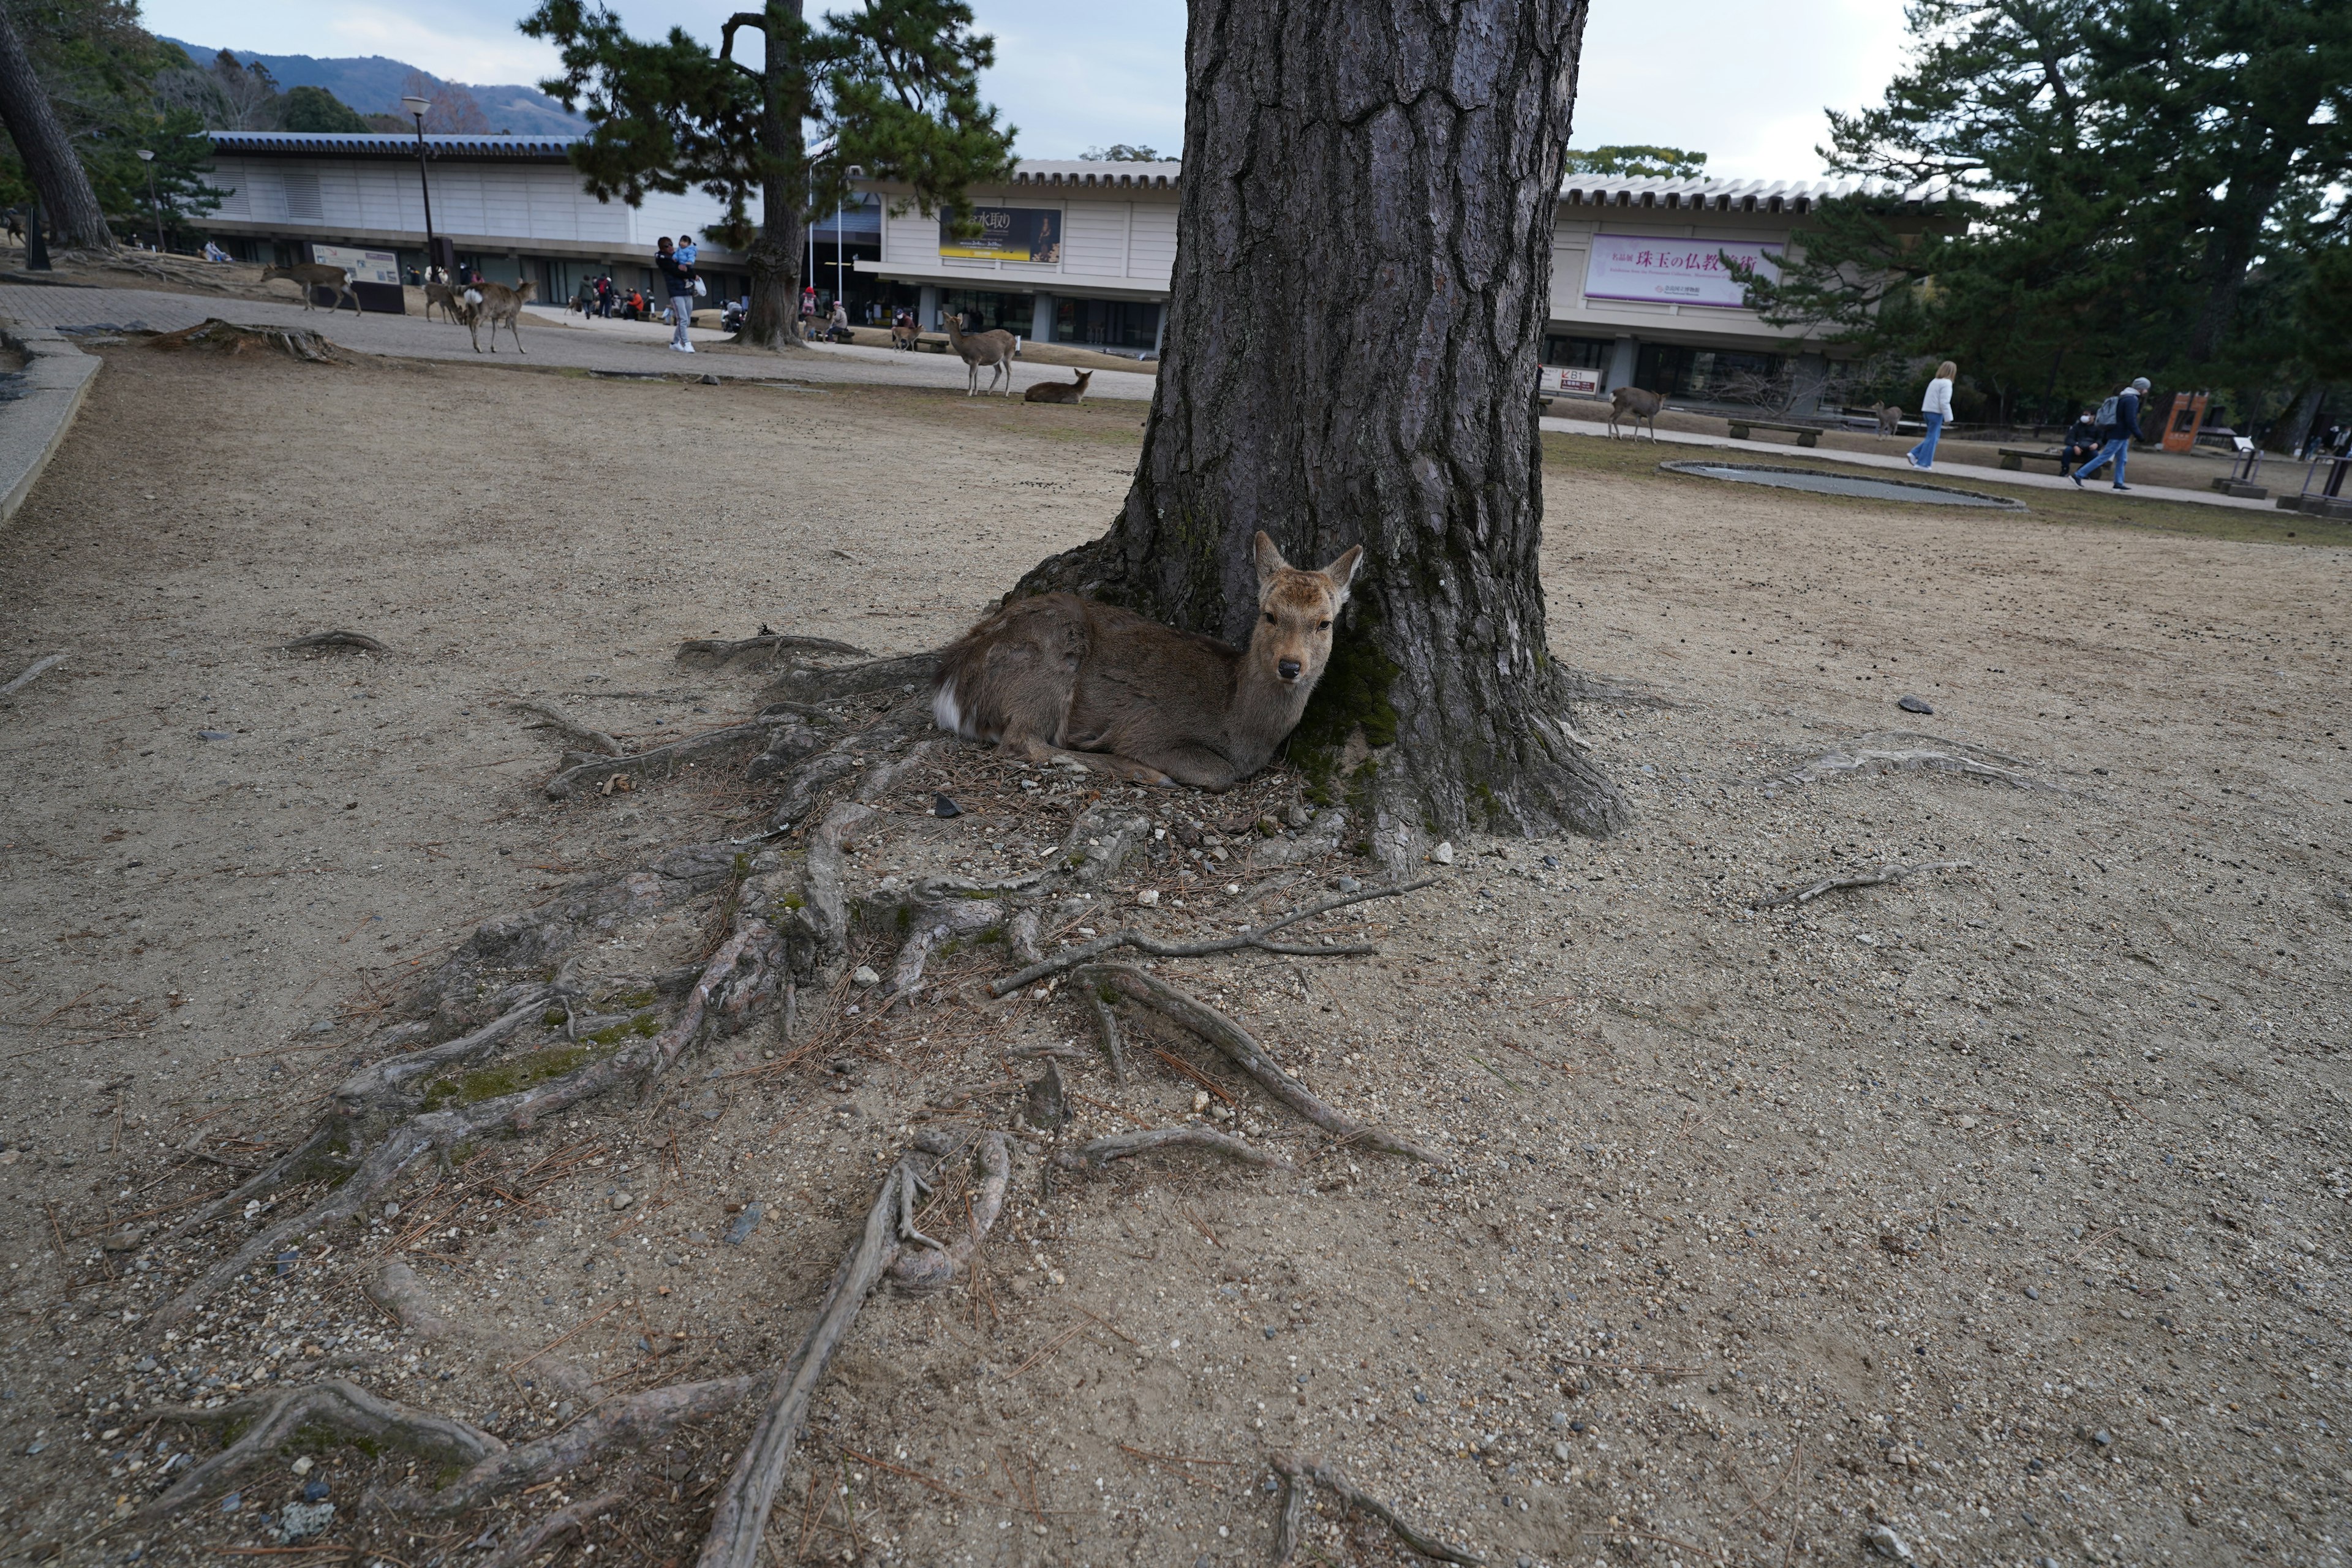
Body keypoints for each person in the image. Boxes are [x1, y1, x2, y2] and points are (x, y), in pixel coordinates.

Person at [2072, 376, 2149, 491]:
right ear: (2141, 388)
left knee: (2122, 459)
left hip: (2120, 433)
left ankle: (2119, 482)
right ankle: (2078, 475)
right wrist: (2138, 434)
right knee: (2105, 457)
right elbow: (2130, 419)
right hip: (2120, 433)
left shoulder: (2124, 397)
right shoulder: (2132, 400)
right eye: (2146, 388)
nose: (2147, 391)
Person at [1907, 361, 1955, 469]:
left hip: (1927, 411)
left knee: (1932, 437)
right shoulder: (1947, 383)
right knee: (1933, 438)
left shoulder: (1934, 381)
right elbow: (1944, 402)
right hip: (1936, 413)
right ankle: (1923, 463)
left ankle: (1915, 453)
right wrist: (1948, 418)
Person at [655, 236, 697, 352]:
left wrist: (691, 273)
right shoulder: (662, 258)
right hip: (676, 292)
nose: (670, 247)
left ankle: (675, 342)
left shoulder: (679, 255)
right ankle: (687, 343)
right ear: (661, 248)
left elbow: (688, 267)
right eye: (666, 246)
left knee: (687, 320)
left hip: (687, 290)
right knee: (683, 319)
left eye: (670, 244)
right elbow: (676, 272)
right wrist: (691, 275)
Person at [2059, 410, 2101, 476]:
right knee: (2067, 451)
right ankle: (2065, 470)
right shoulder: (2077, 426)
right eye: (2084, 415)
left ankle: (2084, 472)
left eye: (2088, 415)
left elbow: (2101, 439)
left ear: (2093, 416)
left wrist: (2097, 444)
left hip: (2090, 449)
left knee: (2094, 455)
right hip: (2077, 447)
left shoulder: (2098, 427)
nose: (2085, 417)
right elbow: (2069, 439)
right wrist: (2075, 446)